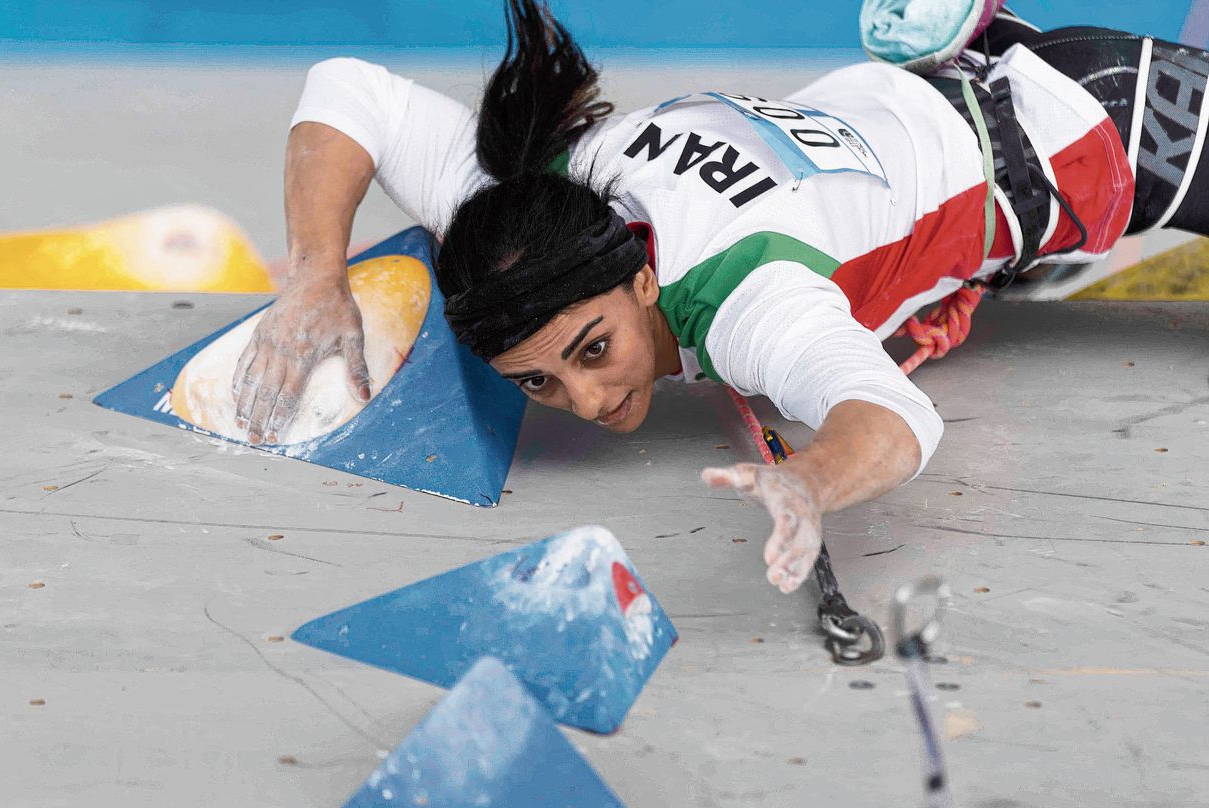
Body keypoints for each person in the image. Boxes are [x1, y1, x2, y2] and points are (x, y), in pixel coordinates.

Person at [231, 0, 1209, 593]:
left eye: (589, 351)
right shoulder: (519, 209)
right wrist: (315, 274)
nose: (585, 400)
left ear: (644, 279)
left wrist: (811, 480)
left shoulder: (750, 303)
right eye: (533, 384)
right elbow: (347, 89)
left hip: (1109, 132)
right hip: (955, 96)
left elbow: (896, 418)